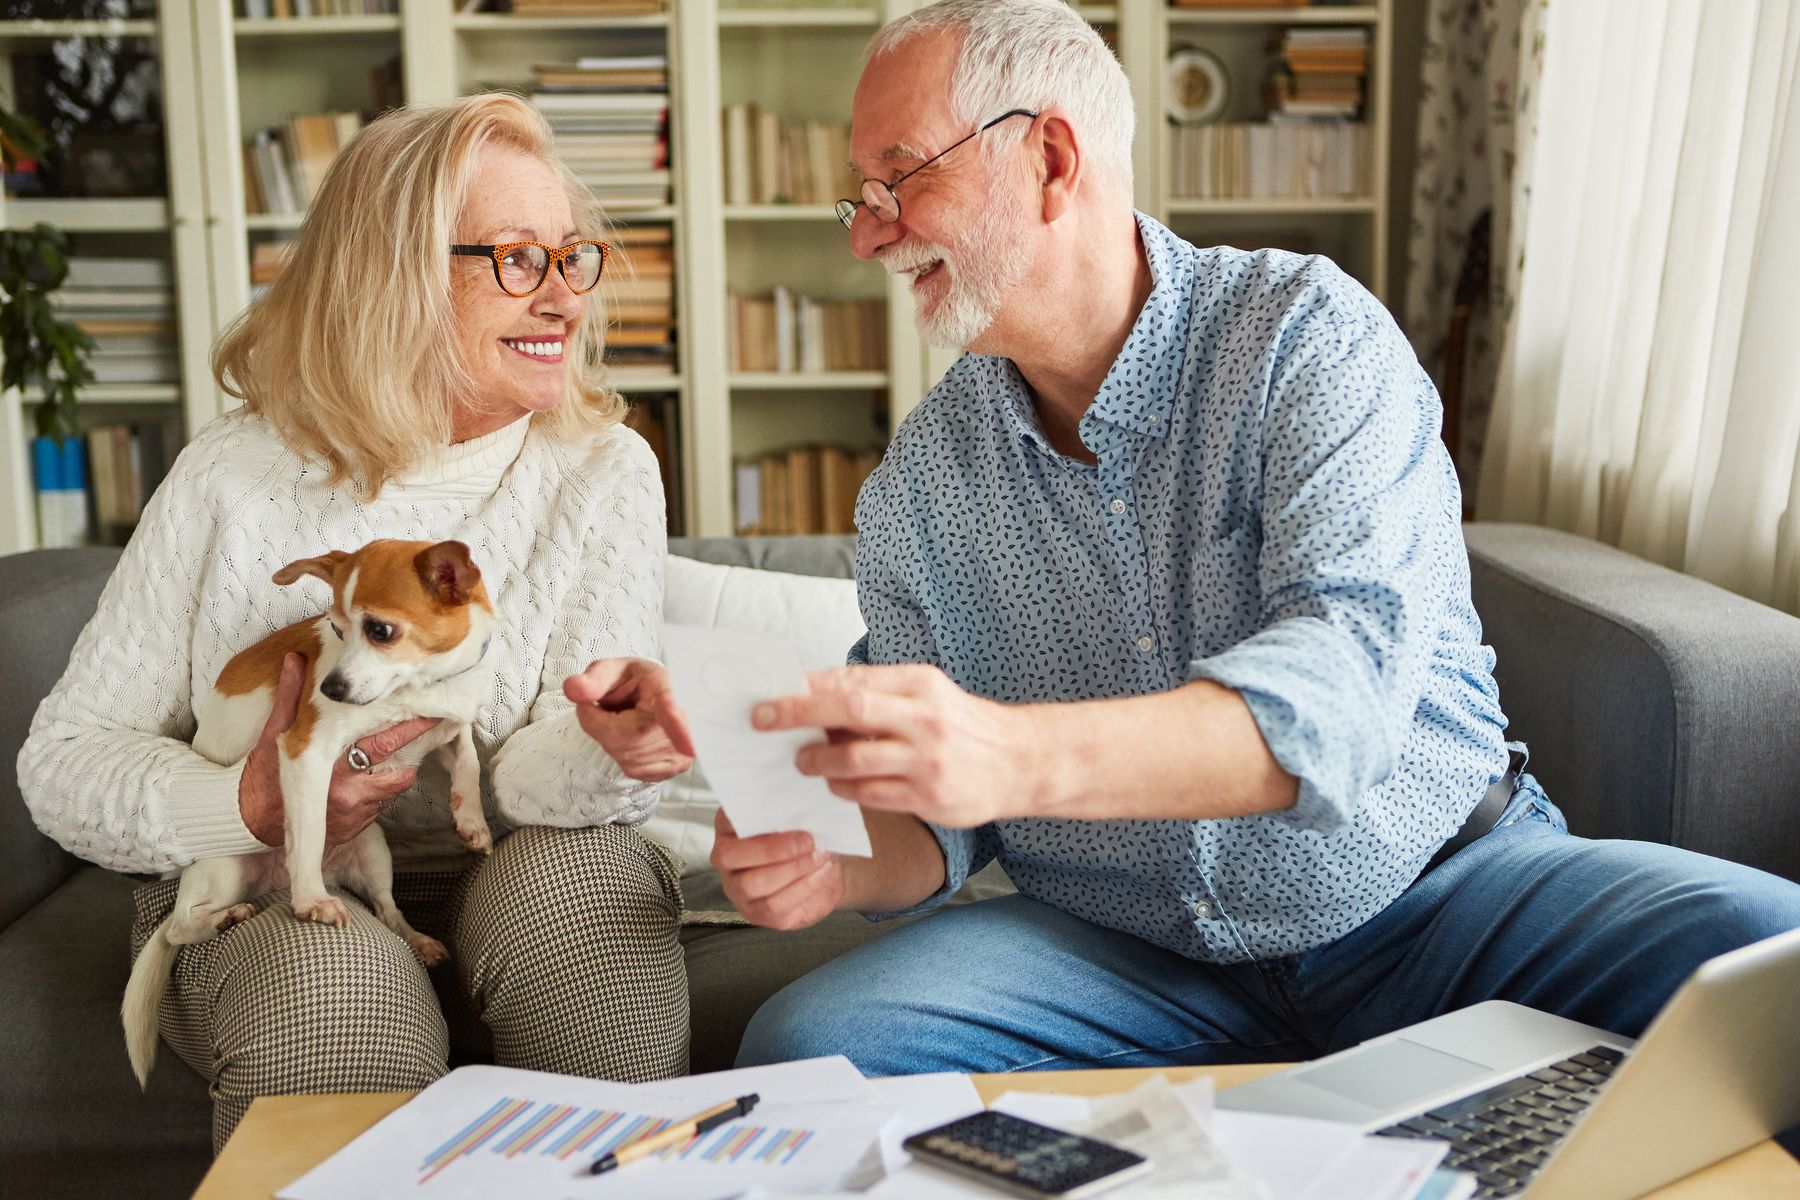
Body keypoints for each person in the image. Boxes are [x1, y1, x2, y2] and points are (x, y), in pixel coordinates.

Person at [682, 0, 1800, 1074]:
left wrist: (1012, 753)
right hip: (1127, 955)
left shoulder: (1305, 341)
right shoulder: (922, 483)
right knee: (811, 1047)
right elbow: (936, 821)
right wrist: (834, 864)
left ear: (1052, 160)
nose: (868, 232)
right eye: (859, 196)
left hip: (1433, 898)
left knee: (1775, 959)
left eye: (899, 178)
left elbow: (1341, 698)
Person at [19, 93, 694, 1147]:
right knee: (337, 1005)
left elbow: (529, 780)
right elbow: (62, 762)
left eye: (572, 257)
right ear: (396, 277)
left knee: (578, 910)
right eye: (518, 259)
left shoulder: (603, 468)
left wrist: (615, 747)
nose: (563, 297)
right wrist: (246, 807)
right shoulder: (232, 475)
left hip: (511, 856)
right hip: (273, 873)